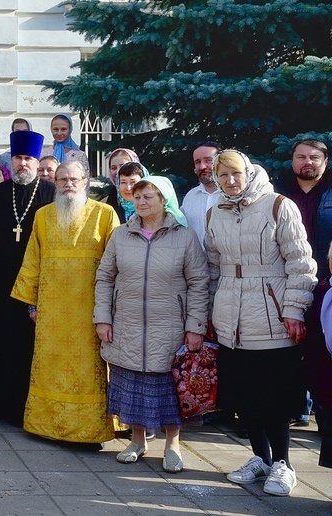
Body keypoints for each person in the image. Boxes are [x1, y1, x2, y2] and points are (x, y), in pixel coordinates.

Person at [206, 150, 317, 496]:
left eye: (235, 174)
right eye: (223, 176)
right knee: (244, 395)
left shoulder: (277, 206)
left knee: (274, 395)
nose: (230, 181)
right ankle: (259, 458)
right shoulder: (215, 212)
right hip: (231, 317)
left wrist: (294, 309)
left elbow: (301, 263)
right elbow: (211, 268)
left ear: (249, 172)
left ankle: (283, 463)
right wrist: (211, 312)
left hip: (270, 315)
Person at [93, 176, 209, 473]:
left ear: (164, 200)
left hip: (169, 324)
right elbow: (105, 277)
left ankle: (172, 444)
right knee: (132, 385)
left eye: (149, 197)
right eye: (138, 197)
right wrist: (103, 318)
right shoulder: (121, 235)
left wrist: (196, 325)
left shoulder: (184, 237)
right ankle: (137, 440)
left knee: (168, 388)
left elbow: (198, 282)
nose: (142, 202)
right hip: (127, 322)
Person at [11, 160, 119, 444]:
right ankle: (45, 426)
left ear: (85, 181)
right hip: (52, 310)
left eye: (74, 179)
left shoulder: (105, 215)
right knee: (50, 368)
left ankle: (90, 431)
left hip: (90, 309)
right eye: (62, 180)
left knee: (88, 370)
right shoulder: (43, 215)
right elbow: (32, 260)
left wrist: (111, 310)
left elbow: (117, 264)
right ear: (55, 183)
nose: (68, 184)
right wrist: (31, 305)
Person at [0, 130, 56, 425]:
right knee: (2, 344)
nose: (22, 164)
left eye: (28, 159)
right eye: (18, 158)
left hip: (36, 285)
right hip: (1, 286)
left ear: (37, 162)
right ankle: (1, 406)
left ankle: (32, 407)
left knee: (31, 347)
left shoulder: (51, 194)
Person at [274, 139, 332, 463]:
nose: (306, 162)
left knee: (324, 357)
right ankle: (289, 413)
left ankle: (325, 421)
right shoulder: (280, 193)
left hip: (327, 285)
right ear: (292, 160)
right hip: (288, 286)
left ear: (325, 160)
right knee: (291, 354)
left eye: (313, 157)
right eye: (300, 157)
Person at [180, 142, 223, 249]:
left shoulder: (232, 196)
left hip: (226, 263)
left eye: (208, 160)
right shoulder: (190, 196)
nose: (202, 166)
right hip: (196, 263)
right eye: (197, 162)